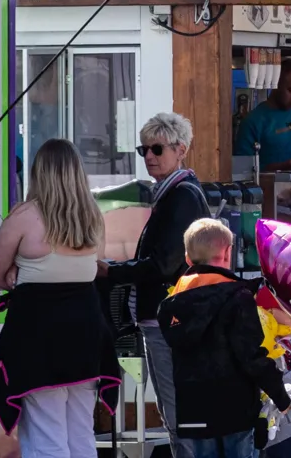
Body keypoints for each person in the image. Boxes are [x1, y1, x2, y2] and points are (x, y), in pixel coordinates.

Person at [0, 139, 121, 458]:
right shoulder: (92, 216)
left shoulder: (23, 217)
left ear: (38, 173)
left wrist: (19, 276)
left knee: (47, 436)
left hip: (38, 338)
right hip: (87, 334)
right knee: (80, 432)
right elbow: (91, 267)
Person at [100, 113, 210, 458]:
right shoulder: (172, 193)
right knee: (178, 409)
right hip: (172, 318)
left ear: (181, 150)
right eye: (143, 149)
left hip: (172, 319)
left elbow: (164, 263)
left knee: (179, 411)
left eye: (157, 148)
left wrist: (111, 271)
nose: (149, 156)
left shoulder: (181, 195)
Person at [159, 219, 291, 458]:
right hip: (236, 409)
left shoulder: (172, 305)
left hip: (193, 411)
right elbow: (252, 356)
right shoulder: (238, 298)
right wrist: (280, 396)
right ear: (228, 253)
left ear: (188, 259)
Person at [236, 58, 291, 171]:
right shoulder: (253, 121)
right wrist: (280, 168)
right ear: (276, 84)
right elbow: (241, 169)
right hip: (267, 187)